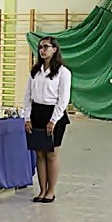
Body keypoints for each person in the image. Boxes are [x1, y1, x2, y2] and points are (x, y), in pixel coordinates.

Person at [23, 36, 72, 203]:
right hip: (37, 113)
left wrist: (53, 120)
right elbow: (27, 96)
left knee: (51, 154)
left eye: (46, 47)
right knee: (39, 154)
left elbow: (63, 99)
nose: (42, 50)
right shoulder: (35, 71)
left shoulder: (63, 72)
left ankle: (51, 190)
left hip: (54, 114)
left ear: (54, 49)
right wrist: (27, 117)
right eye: (40, 47)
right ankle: (42, 190)